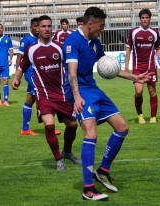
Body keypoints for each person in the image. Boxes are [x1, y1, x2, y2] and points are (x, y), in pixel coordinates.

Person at [63, 7, 153, 201]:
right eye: (101, 26)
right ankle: (88, 189)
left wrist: (134, 76)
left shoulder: (95, 42)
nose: (102, 29)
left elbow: (110, 68)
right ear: (90, 24)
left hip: (93, 89)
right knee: (91, 133)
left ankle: (102, 170)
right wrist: (77, 96)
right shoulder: (72, 42)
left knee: (122, 127)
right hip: (79, 91)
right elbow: (72, 73)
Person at [12, 15, 81, 171]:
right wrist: (16, 78)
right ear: (38, 28)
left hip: (62, 94)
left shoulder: (60, 47)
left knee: (73, 125)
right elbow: (22, 66)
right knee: (49, 126)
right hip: (43, 95)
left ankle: (67, 152)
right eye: (43, 26)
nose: (46, 29)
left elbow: (72, 66)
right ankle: (58, 160)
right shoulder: (32, 49)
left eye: (49, 26)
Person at [15, 17, 61, 136]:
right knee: (46, 95)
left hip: (41, 74)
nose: (37, 28)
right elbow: (20, 57)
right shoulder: (27, 40)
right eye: (35, 26)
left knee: (30, 99)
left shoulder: (41, 40)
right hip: (31, 73)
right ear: (32, 27)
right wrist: (17, 75)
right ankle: (49, 125)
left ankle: (25, 129)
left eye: (38, 26)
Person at [125, 8, 160, 124]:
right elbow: (128, 49)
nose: (145, 20)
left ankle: (153, 117)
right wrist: (126, 66)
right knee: (138, 91)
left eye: (147, 17)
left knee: (152, 91)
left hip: (151, 67)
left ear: (150, 18)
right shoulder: (133, 32)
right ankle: (140, 115)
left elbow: (158, 49)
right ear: (140, 19)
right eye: (143, 18)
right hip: (138, 67)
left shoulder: (154, 33)